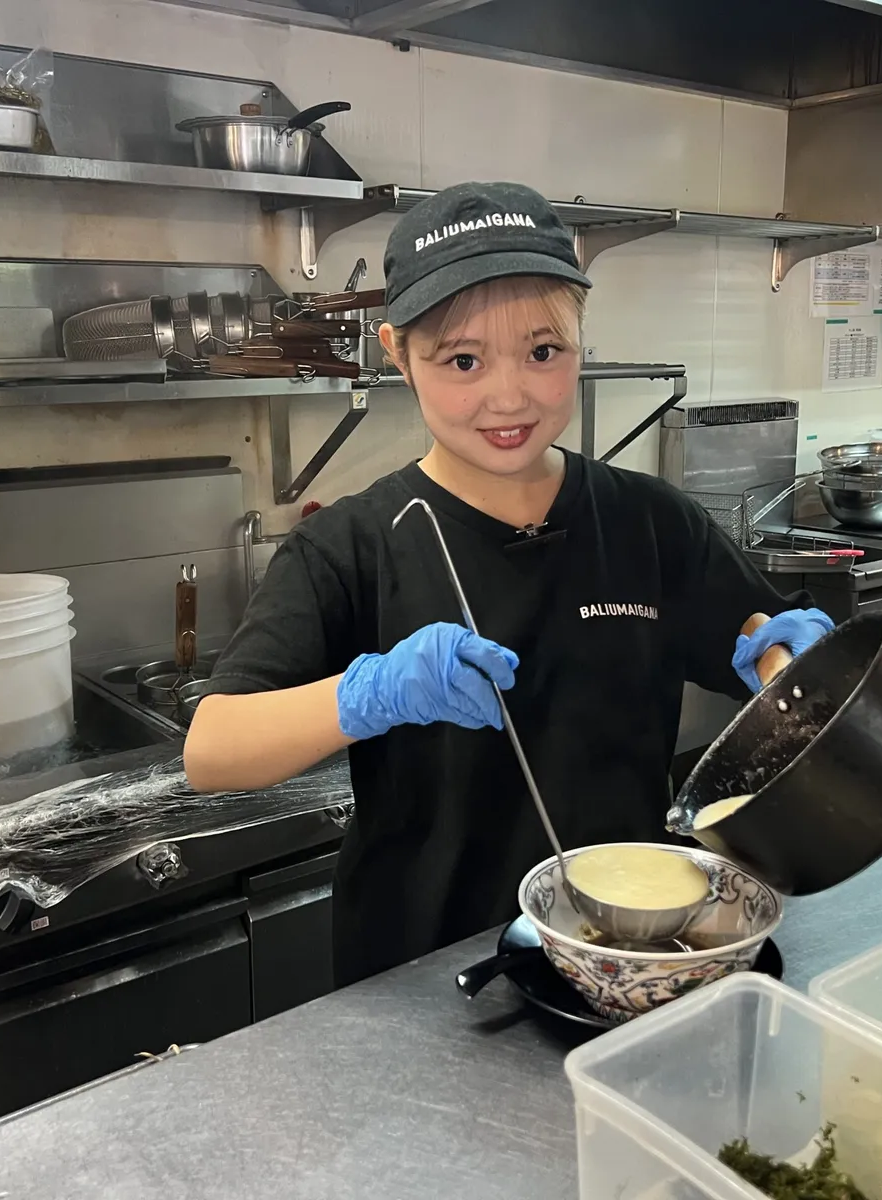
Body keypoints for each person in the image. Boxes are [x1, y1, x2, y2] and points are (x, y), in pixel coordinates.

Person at [186, 181, 833, 985]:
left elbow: (773, 661)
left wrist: (792, 668)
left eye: (543, 351)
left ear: (579, 340)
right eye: (462, 359)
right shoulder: (348, 546)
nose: (509, 395)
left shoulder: (650, 522)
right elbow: (212, 751)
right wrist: (371, 694)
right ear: (397, 355)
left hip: (626, 955)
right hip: (421, 976)